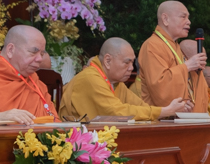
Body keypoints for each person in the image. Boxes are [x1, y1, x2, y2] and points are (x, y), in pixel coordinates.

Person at [60, 37, 188, 121]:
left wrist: (171, 110)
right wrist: (163, 111)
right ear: (108, 61)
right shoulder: (90, 78)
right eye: (127, 62)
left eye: (132, 63)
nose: (131, 68)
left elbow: (140, 106)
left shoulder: (116, 83)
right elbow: (116, 112)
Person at [138, 1, 210, 113]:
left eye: (188, 17)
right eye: (183, 17)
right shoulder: (152, 45)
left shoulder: (176, 46)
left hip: (185, 116)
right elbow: (159, 85)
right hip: (161, 119)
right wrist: (187, 66)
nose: (189, 22)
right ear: (165, 19)